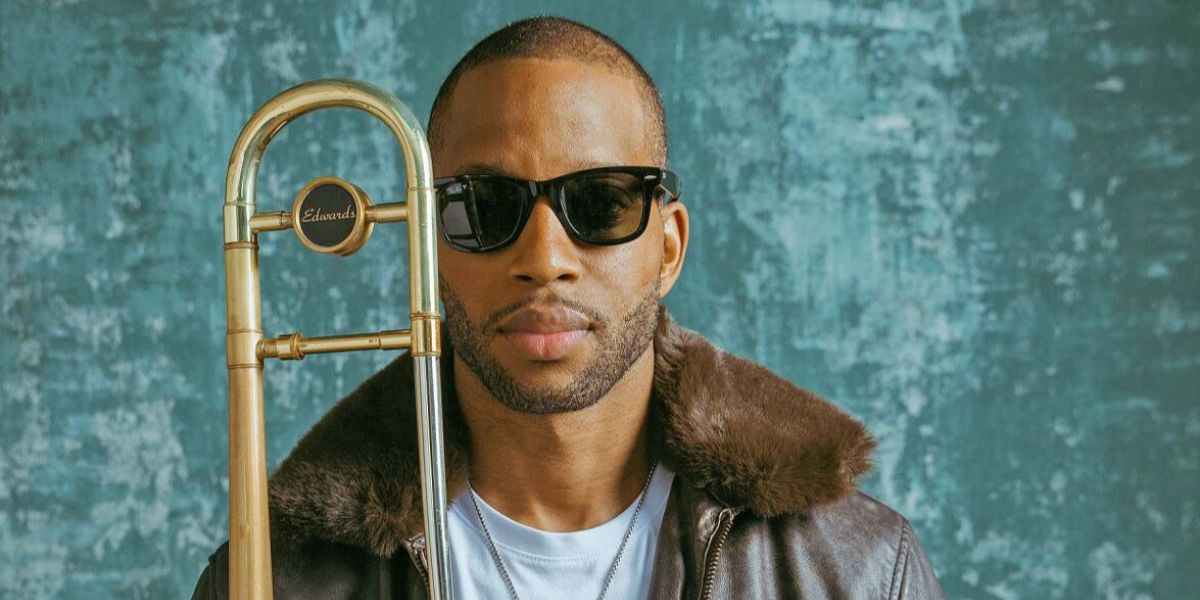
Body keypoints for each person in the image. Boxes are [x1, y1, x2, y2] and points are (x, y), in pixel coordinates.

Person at [192, 15, 945, 600]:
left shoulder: (860, 573)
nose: (544, 258)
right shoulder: (270, 580)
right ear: (426, 244)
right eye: (484, 206)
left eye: (601, 202)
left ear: (669, 249)